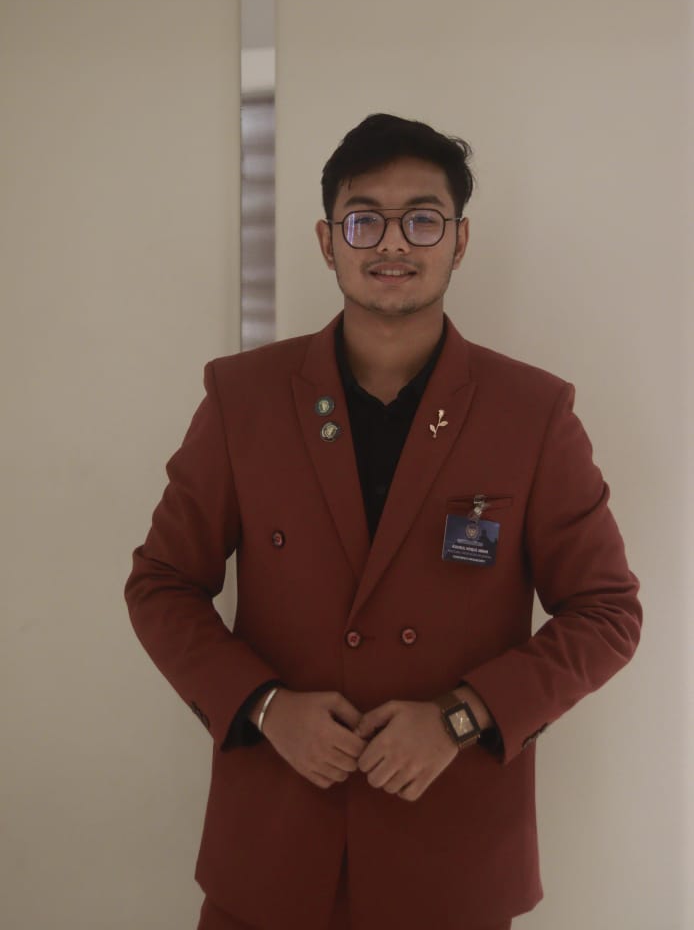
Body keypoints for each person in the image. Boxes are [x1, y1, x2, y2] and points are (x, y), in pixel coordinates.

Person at [125, 113, 642, 930]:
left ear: (460, 240)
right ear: (327, 241)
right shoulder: (242, 399)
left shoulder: (532, 412)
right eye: (364, 219)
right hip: (271, 850)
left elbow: (608, 612)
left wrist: (462, 716)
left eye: (422, 219)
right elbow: (161, 584)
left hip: (452, 856)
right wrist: (265, 706)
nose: (392, 242)